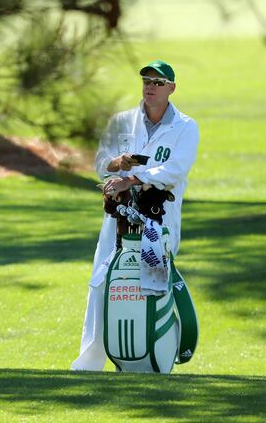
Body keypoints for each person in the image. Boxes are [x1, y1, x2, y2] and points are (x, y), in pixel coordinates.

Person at [71, 60, 200, 371]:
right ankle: (89, 363)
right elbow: (101, 163)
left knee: (154, 285)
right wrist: (120, 162)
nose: (150, 87)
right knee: (104, 281)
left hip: (159, 220)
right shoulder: (121, 122)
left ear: (171, 88)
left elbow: (174, 170)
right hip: (118, 218)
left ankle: (153, 360)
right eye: (146, 80)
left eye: (158, 82)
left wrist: (133, 178)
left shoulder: (186, 127)